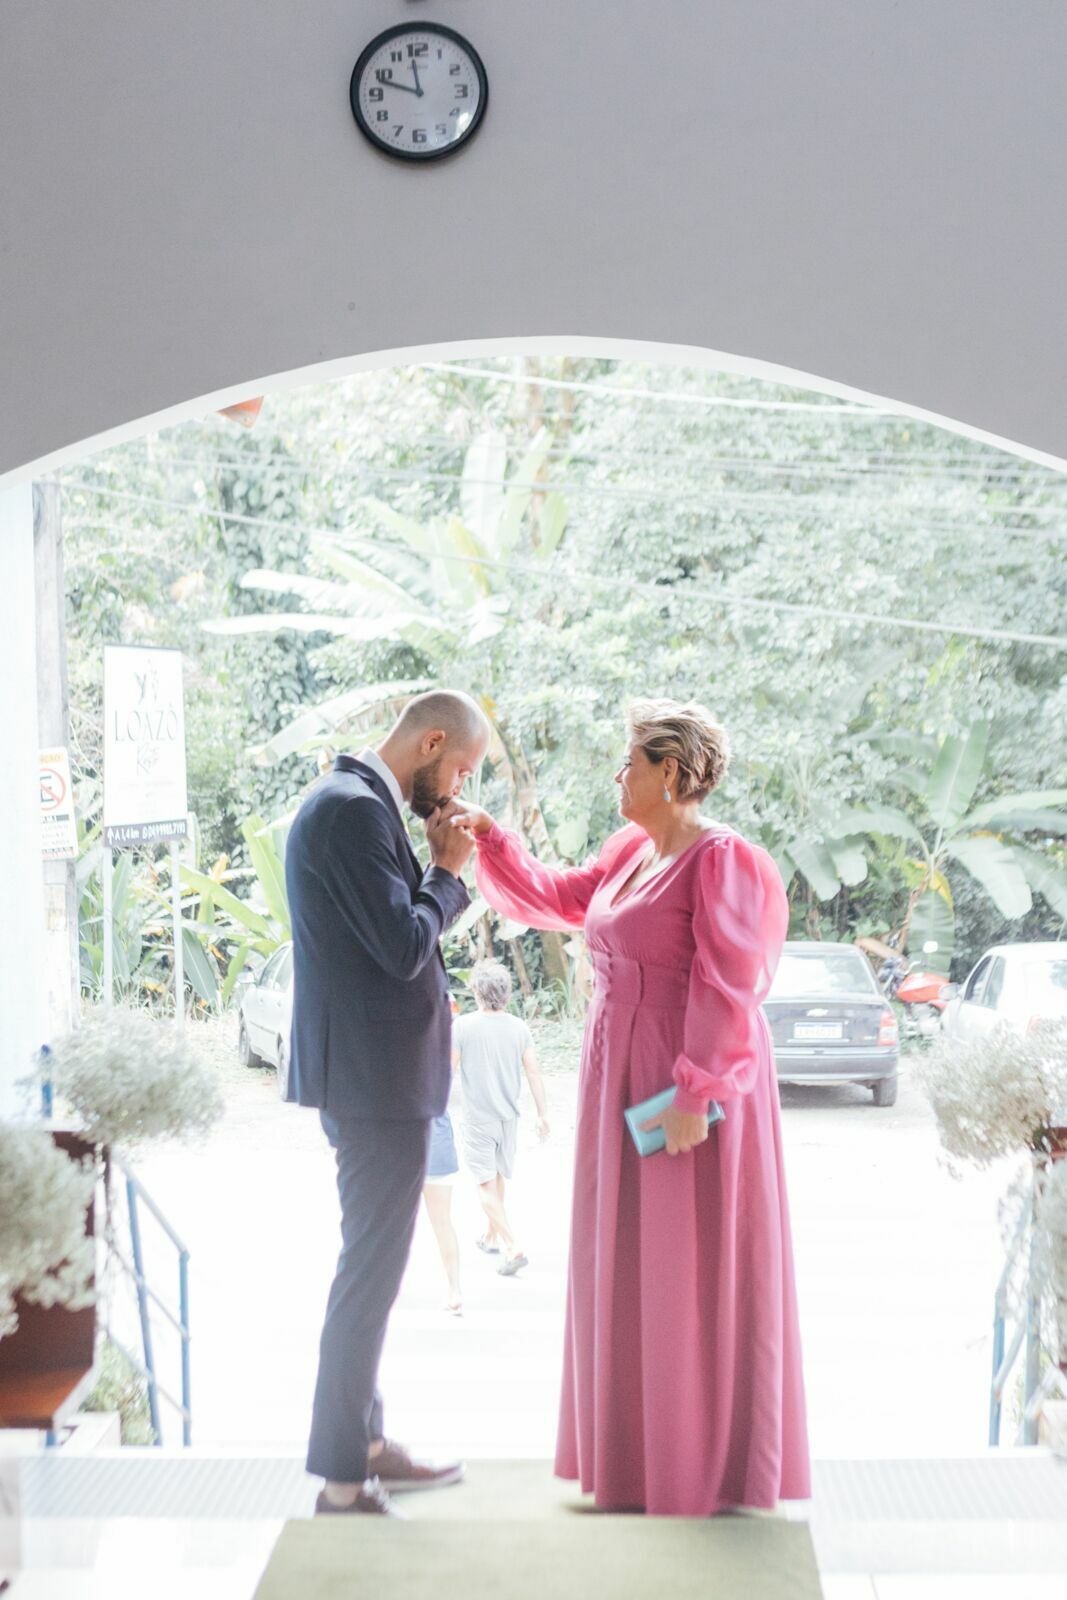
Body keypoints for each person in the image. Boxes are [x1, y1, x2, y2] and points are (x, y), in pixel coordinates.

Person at [450, 698, 810, 1517]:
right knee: (626, 1258)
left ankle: (702, 1464)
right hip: (616, 1065)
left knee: (686, 1262)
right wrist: (491, 838)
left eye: (629, 764)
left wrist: (695, 1088)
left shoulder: (721, 859)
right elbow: (554, 898)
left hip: (683, 1076)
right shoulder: (630, 853)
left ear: (670, 773)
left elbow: (730, 983)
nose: (618, 777)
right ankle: (635, 1457)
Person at [285, 689, 490, 1516]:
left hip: (375, 1081)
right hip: (374, 1087)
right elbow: (405, 945)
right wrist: (446, 873)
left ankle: (365, 1444)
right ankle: (342, 1479)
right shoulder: (351, 811)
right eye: (462, 769)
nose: (458, 788)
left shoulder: (357, 803)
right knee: (368, 1278)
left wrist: (438, 872)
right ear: (431, 741)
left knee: (371, 1271)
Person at [451, 959, 550, 1277]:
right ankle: (490, 1236)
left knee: (484, 1185)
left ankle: (512, 1245)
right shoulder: (519, 1028)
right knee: (496, 1178)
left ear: (477, 992)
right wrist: (542, 1114)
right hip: (509, 1118)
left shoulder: (463, 1027)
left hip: (478, 1119)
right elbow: (533, 1072)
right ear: (506, 993)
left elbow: (448, 1069)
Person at [422, 1112, 464, 1315]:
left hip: (402, 1147)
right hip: (438, 1144)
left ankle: (383, 1286)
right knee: (443, 1223)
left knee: (391, 1225)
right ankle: (455, 1289)